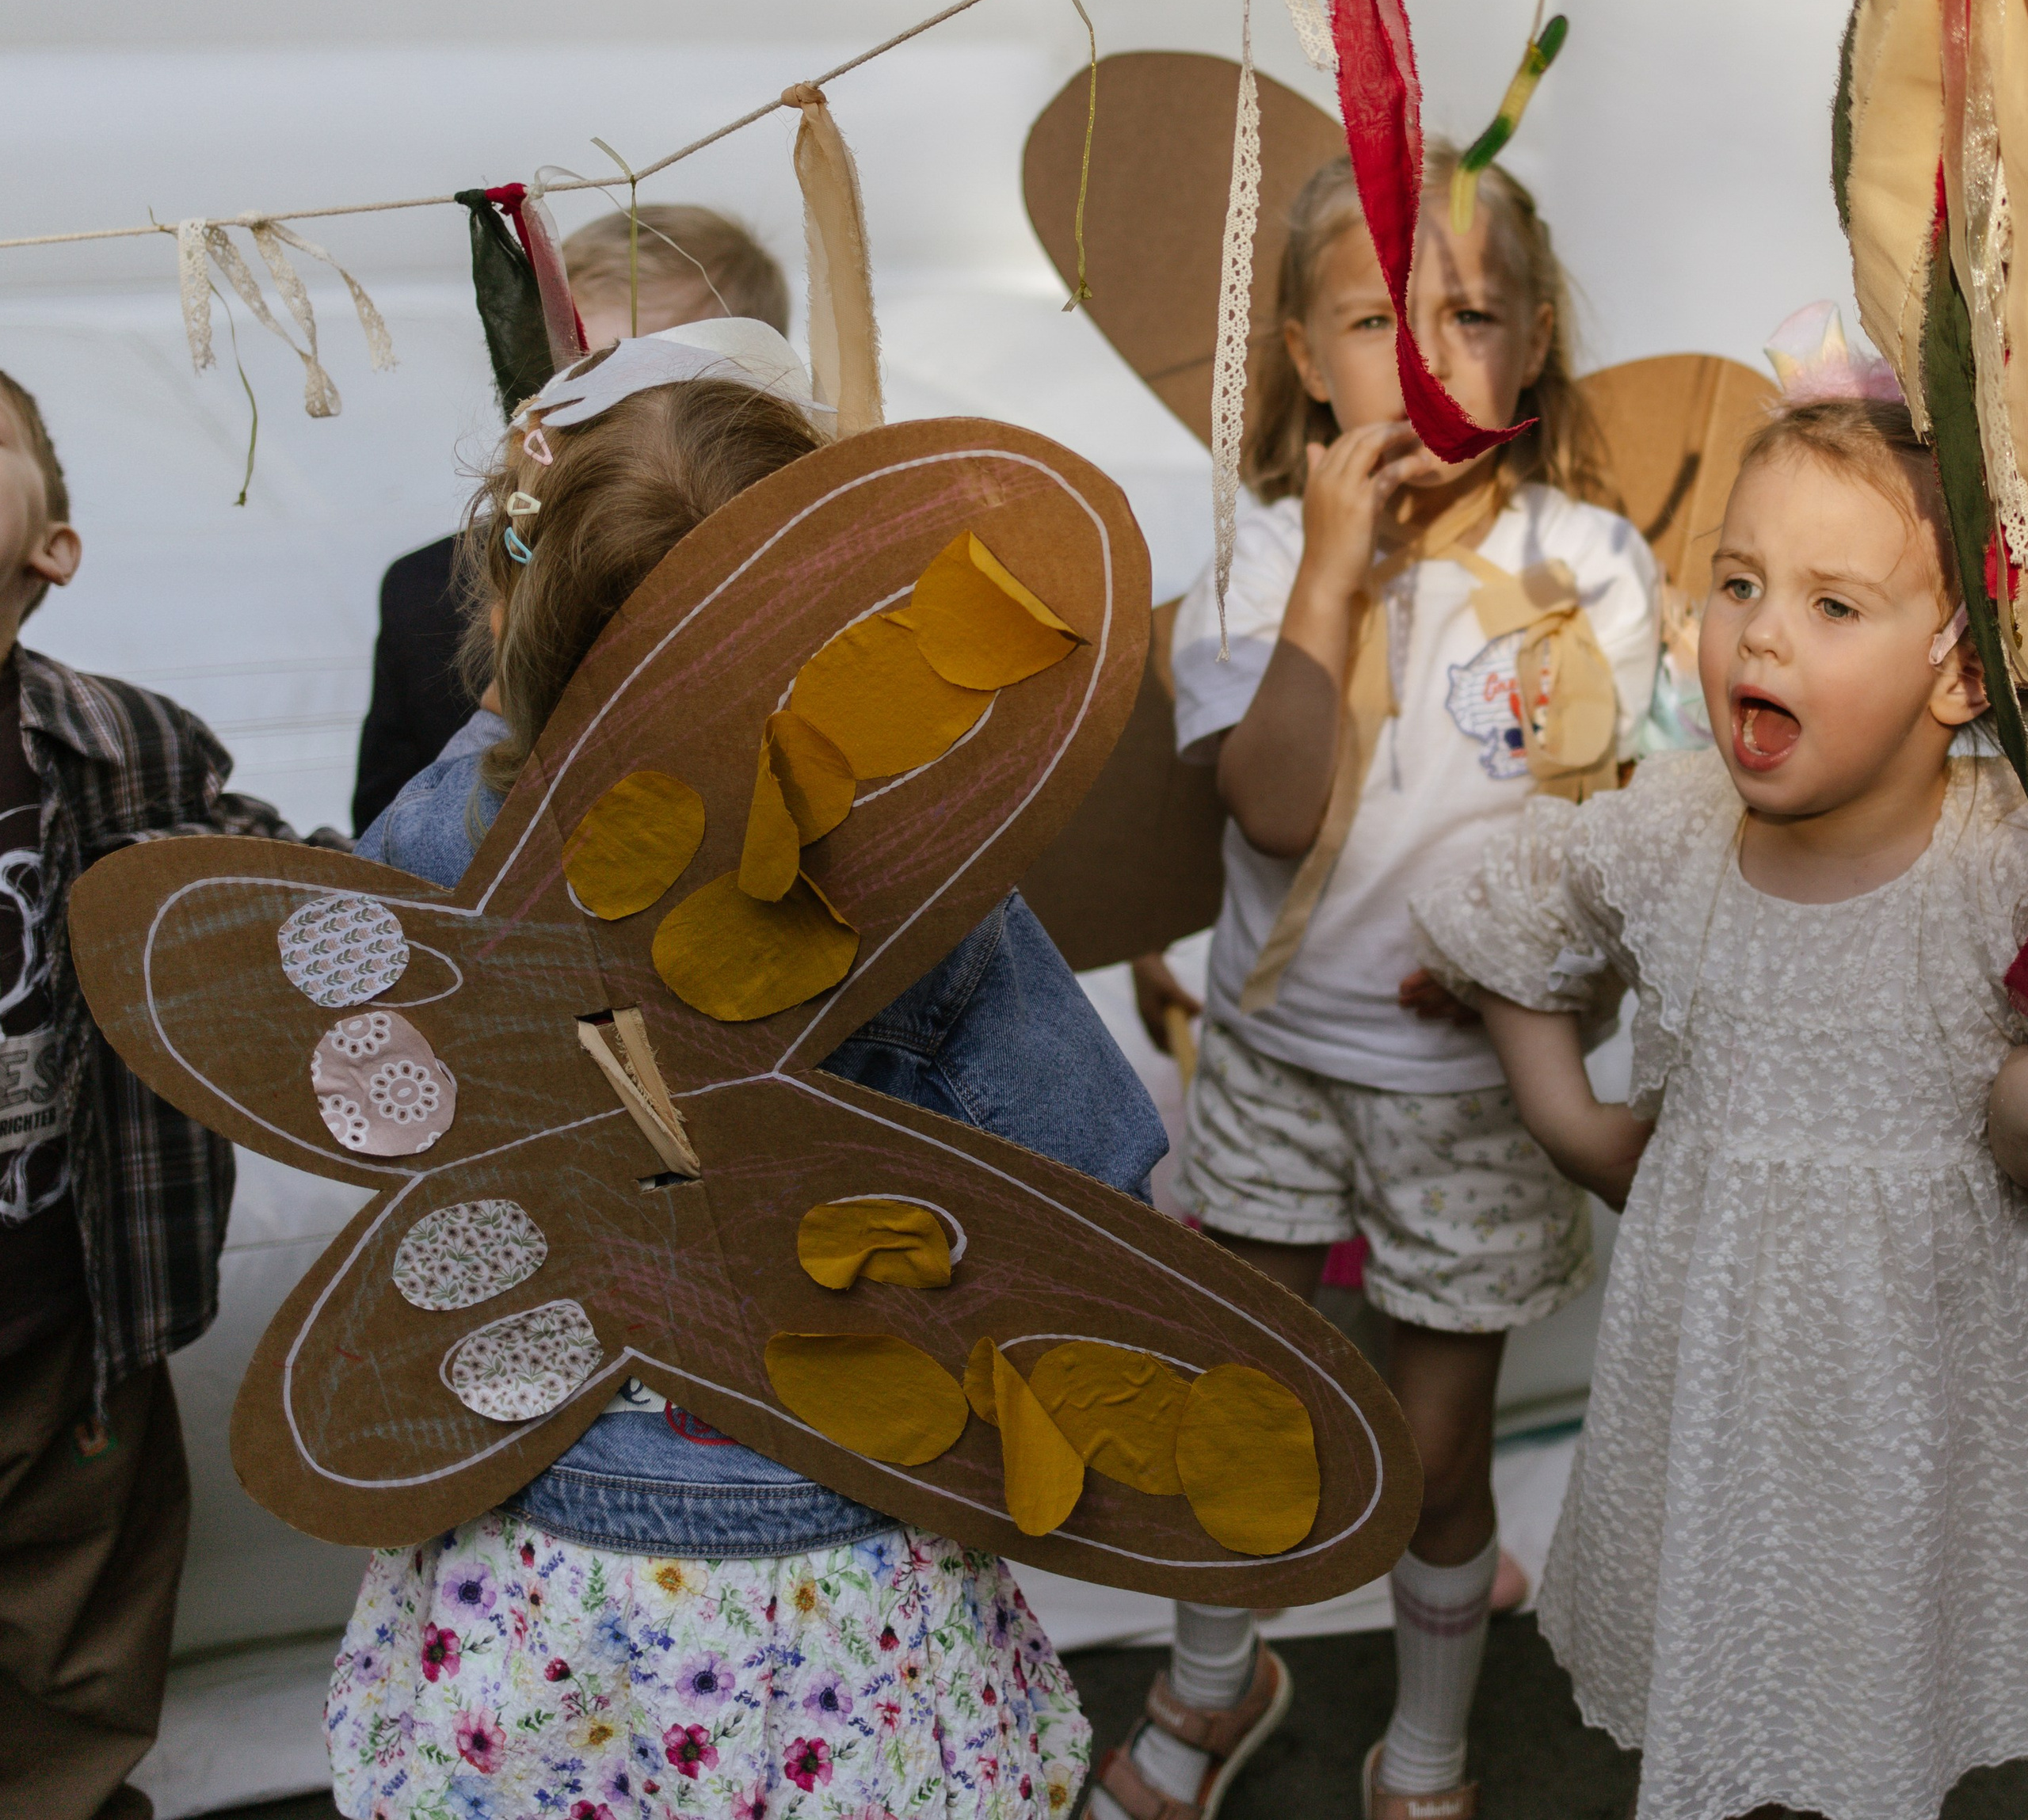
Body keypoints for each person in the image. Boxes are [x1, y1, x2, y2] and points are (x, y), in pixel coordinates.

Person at [325, 320, 1171, 1820]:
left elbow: (379, 1145)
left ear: (517, 599)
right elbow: (1089, 1165)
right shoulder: (924, 881)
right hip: (843, 1546)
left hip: (535, 1551)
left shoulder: (432, 840)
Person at [1091, 146, 1660, 1820]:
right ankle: (1216, 1677)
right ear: (1294, 354)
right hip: (1275, 1060)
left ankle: (1423, 1739)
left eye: (1467, 314)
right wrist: (1336, 577)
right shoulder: (1260, 563)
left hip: (1471, 1092)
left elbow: (1601, 828)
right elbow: (1267, 800)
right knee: (1240, 1408)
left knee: (1432, 1458)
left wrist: (1513, 958)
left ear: (1534, 341)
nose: (1421, 354)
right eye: (1371, 317)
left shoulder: (1592, 567)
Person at [1412, 391, 2028, 1819]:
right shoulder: (1675, 827)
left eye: (1831, 604)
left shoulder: (1999, 865)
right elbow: (1490, 909)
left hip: (1913, 1418)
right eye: (1739, 582)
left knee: (1878, 1710)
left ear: (1960, 676)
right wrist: (1568, 1120)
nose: (1758, 633)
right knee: (1735, 1695)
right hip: (1715, 1406)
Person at [0, 371, 318, 1820]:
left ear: (50, 547)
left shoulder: (127, 746)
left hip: (63, 1308)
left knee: (76, 1631)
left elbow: (267, 900)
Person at [349, 204, 790, 834]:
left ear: (761, 390)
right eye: (567, 375)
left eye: (641, 380)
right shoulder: (425, 592)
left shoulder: (852, 571)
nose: (592, 416)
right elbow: (385, 865)